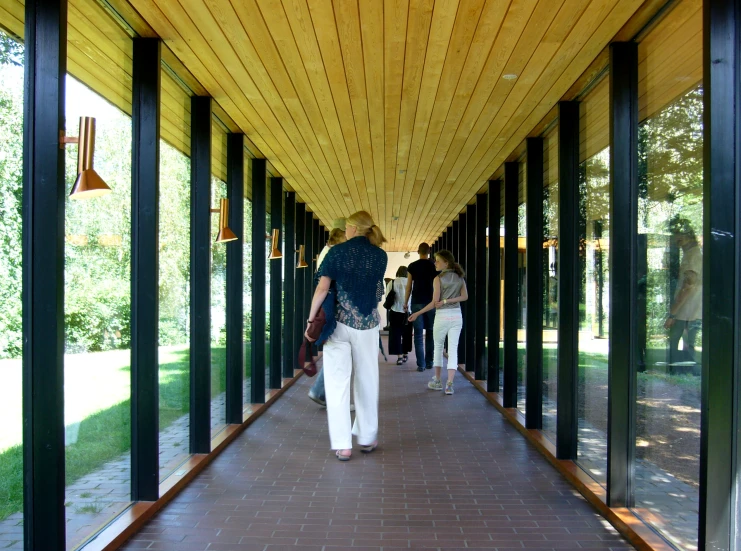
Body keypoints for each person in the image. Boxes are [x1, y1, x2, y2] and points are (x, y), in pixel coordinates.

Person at [305, 211, 388, 461]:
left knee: (337, 382)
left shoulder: (337, 253)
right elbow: (376, 292)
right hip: (368, 325)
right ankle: (367, 436)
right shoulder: (380, 255)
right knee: (367, 379)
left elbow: (322, 288)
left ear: (351, 228)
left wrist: (311, 320)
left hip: (338, 325)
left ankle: (343, 445)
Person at [408, 250, 467, 395]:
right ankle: (450, 385)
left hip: (442, 317)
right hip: (456, 316)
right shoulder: (460, 277)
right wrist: (449, 300)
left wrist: (417, 313)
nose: (435, 263)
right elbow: (464, 297)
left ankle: (438, 381)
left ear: (446, 262)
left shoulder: (438, 278)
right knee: (453, 349)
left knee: (438, 348)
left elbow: (434, 303)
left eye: (438, 260)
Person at [308, 220, 346, 407]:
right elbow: (324, 287)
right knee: (338, 352)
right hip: (333, 310)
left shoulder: (327, 252)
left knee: (336, 352)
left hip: (330, 309)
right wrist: (310, 318)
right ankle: (320, 391)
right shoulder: (332, 255)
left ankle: (321, 391)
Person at [664, 217, 702, 374]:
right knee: (684, 343)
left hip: (687, 312)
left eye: (675, 235)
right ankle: (683, 374)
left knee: (681, 343)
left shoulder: (693, 255)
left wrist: (673, 312)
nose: (673, 239)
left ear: (685, 235)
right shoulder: (690, 253)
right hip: (689, 311)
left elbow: (688, 285)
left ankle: (684, 375)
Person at [404, 243, 438, 371]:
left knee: (418, 334)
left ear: (418, 251)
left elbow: (409, 287)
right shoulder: (434, 266)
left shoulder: (412, 266)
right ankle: (429, 362)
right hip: (431, 303)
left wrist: (405, 302)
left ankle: (421, 365)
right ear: (429, 251)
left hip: (417, 302)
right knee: (430, 332)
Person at [386, 266, 412, 365]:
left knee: (395, 334)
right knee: (407, 334)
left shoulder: (392, 283)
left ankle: (399, 357)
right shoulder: (411, 282)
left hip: (394, 311)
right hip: (408, 312)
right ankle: (405, 354)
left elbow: (388, 296)